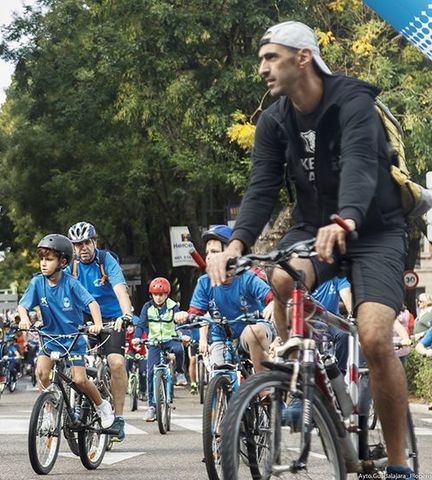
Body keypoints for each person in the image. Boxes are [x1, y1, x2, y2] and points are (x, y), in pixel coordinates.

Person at [205, 21, 412, 479]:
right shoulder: (274, 120)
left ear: (303, 58)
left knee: (376, 337)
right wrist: (235, 245)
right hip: (313, 228)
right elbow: (261, 189)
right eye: (260, 58)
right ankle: (297, 368)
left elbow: (360, 162)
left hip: (374, 228)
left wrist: (347, 217)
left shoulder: (352, 100)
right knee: (280, 275)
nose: (262, 68)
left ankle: (398, 463)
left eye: (270, 57)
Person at [18, 234, 115, 428]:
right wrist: (24, 318)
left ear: (62, 261)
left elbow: (92, 304)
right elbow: (23, 306)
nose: (43, 264)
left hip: (73, 340)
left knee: (80, 380)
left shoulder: (71, 283)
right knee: (42, 373)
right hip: (49, 338)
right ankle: (48, 412)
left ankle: (102, 405)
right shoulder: (37, 283)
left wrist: (96, 324)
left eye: (49, 259)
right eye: (42, 259)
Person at [176, 226, 275, 375]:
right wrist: (185, 316)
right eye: (207, 252)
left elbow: (271, 296)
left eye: (215, 252)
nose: (209, 256)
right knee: (218, 375)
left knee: (254, 331)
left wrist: (273, 303)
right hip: (221, 336)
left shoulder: (247, 278)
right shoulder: (204, 282)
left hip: (251, 334)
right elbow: (196, 312)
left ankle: (265, 392)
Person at [67, 221, 132, 441]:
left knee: (116, 363)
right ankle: (76, 403)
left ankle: (119, 417)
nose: (82, 248)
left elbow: (120, 289)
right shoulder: (70, 266)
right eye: (77, 244)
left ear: (94, 242)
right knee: (71, 362)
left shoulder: (106, 261)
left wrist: (126, 315)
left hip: (112, 319)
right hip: (83, 318)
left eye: (86, 242)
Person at [133, 277, 186, 422]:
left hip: (170, 339)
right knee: (150, 372)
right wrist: (137, 337)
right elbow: (141, 324)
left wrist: (184, 335)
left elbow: (179, 322)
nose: (158, 297)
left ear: (167, 294)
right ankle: (152, 407)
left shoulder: (173, 306)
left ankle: (180, 373)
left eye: (161, 294)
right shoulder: (147, 307)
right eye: (155, 294)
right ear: (151, 294)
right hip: (154, 342)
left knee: (179, 350)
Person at [312, 277, 353, 372]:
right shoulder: (310, 275)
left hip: (333, 320)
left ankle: (340, 372)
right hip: (311, 319)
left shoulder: (337, 276)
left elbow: (346, 295)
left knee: (345, 334)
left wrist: (353, 314)